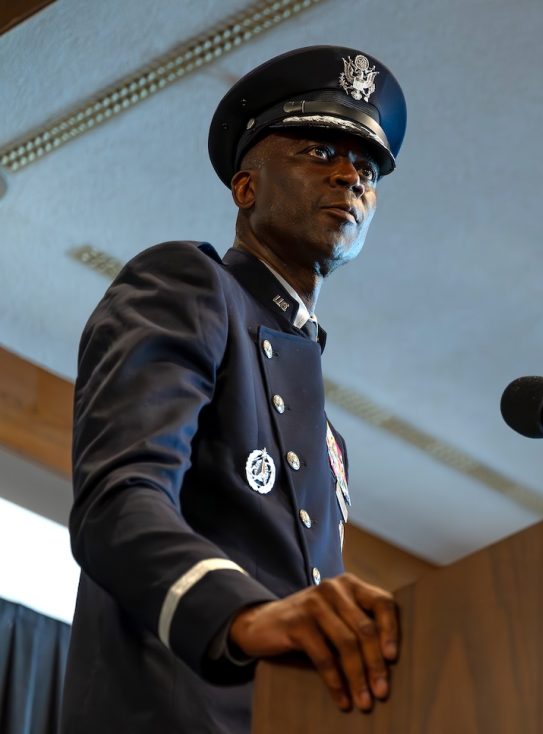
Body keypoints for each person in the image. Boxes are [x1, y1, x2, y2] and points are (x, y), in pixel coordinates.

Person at [61, 46, 408, 733]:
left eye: (365, 170)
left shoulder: (331, 441)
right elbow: (118, 501)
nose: (349, 177)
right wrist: (245, 613)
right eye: (318, 153)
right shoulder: (190, 284)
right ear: (245, 187)